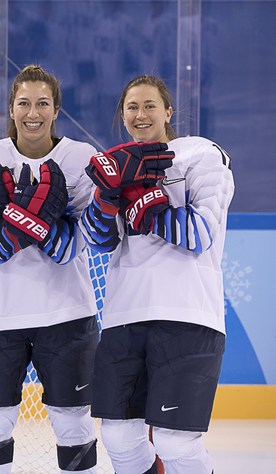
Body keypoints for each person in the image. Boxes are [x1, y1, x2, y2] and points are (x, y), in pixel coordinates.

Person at [80, 75, 234, 474]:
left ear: (168, 112)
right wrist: (106, 197)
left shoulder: (202, 153)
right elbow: (99, 241)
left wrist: (145, 200)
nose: (140, 114)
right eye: (131, 107)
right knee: (117, 437)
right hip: (123, 314)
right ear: (122, 116)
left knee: (175, 443)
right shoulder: (117, 165)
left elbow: (199, 234)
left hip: (187, 315)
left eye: (150, 105)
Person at [0, 65, 100, 474]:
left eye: (43, 103)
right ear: (11, 108)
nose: (33, 112)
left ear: (56, 109)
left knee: (73, 426)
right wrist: (39, 219)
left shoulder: (82, 158)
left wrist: (19, 217)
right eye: (24, 103)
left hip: (67, 314)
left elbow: (76, 242)